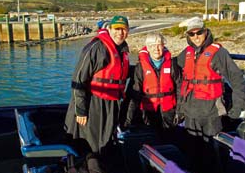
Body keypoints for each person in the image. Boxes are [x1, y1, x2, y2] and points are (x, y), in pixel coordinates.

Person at [65, 15, 130, 155]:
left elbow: (120, 72)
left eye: (124, 29)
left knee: (106, 142)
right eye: (117, 29)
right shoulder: (96, 48)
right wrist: (81, 110)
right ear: (110, 29)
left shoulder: (123, 49)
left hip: (112, 103)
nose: (120, 32)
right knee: (91, 143)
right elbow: (78, 80)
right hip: (93, 103)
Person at [176, 17, 245, 141]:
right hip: (189, 111)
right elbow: (173, 67)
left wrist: (238, 106)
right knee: (190, 147)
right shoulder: (186, 53)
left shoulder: (219, 53)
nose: (196, 37)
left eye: (199, 32)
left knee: (210, 151)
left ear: (205, 32)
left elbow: (236, 78)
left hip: (211, 112)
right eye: (191, 34)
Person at [125, 33, 181, 135]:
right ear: (147, 48)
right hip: (148, 112)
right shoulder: (140, 67)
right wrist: (129, 119)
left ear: (163, 46)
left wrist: (179, 111)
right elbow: (135, 94)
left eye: (159, 44)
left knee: (170, 139)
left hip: (169, 111)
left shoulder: (172, 64)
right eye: (152, 45)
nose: (156, 48)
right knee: (150, 138)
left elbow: (179, 89)